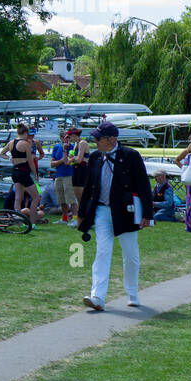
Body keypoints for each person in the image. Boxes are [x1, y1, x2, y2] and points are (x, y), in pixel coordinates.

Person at [77, 121, 153, 311]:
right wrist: (81, 213)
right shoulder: (95, 157)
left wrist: (147, 214)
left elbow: (144, 185)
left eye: (98, 138)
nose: (94, 141)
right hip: (102, 210)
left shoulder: (131, 156)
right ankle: (97, 296)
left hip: (125, 211)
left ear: (112, 139)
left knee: (130, 254)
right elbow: (89, 187)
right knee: (102, 251)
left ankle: (132, 293)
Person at [0, 123, 41, 223]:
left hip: (15, 172)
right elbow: (31, 162)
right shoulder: (25, 144)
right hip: (24, 173)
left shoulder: (11, 142)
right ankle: (32, 222)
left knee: (18, 198)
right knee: (36, 197)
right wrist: (35, 175)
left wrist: (10, 158)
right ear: (26, 133)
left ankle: (18, 221)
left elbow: (1, 154)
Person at [51, 129, 77, 224]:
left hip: (69, 176)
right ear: (60, 138)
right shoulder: (56, 147)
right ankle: (64, 218)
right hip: (58, 176)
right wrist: (61, 160)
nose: (67, 139)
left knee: (71, 199)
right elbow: (52, 164)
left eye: (68, 137)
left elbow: (68, 163)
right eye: (65, 137)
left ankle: (74, 218)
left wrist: (64, 152)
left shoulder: (73, 148)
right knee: (61, 199)